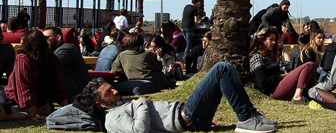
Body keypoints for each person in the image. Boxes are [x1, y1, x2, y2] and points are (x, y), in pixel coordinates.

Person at [80, 63, 277, 133]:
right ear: (100, 103)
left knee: (226, 70)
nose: (115, 92)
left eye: (111, 88)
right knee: (221, 69)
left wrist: (204, 118)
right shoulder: (112, 118)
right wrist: (141, 103)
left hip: (188, 114)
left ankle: (251, 116)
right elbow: (139, 130)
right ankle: (246, 119)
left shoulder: (121, 105)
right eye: (108, 93)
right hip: (185, 116)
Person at [5, 29, 68, 121]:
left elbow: (24, 88)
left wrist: (33, 115)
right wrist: (67, 108)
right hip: (42, 101)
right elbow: (58, 87)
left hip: (20, 103)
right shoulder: (53, 59)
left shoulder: (23, 59)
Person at [249, 27, 316, 105]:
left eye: (274, 40)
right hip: (273, 91)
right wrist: (281, 76)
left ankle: (309, 94)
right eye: (271, 39)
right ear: (263, 40)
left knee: (312, 67)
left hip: (279, 86)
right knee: (310, 65)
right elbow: (261, 82)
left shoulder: (268, 56)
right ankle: (297, 97)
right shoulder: (257, 58)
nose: (274, 42)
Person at [43, 27, 90, 104]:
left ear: (58, 37)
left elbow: (48, 65)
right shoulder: (54, 51)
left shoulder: (67, 50)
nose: (44, 41)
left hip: (77, 94)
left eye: (46, 38)